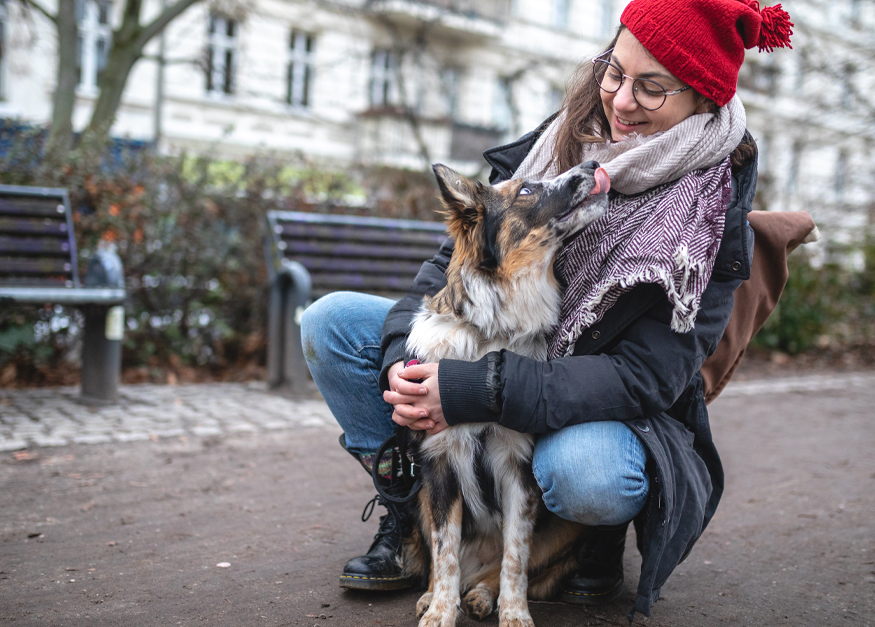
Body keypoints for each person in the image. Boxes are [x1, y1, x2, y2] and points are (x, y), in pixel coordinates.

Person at [299, 0, 793, 617]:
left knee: (587, 475)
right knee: (334, 323)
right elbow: (446, 265)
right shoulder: (560, 138)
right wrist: (407, 357)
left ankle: (590, 542)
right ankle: (408, 515)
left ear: (703, 100)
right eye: (616, 72)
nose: (622, 101)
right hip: (504, 347)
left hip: (605, 403)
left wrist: (481, 386)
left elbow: (646, 377)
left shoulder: (709, 213)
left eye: (653, 88)